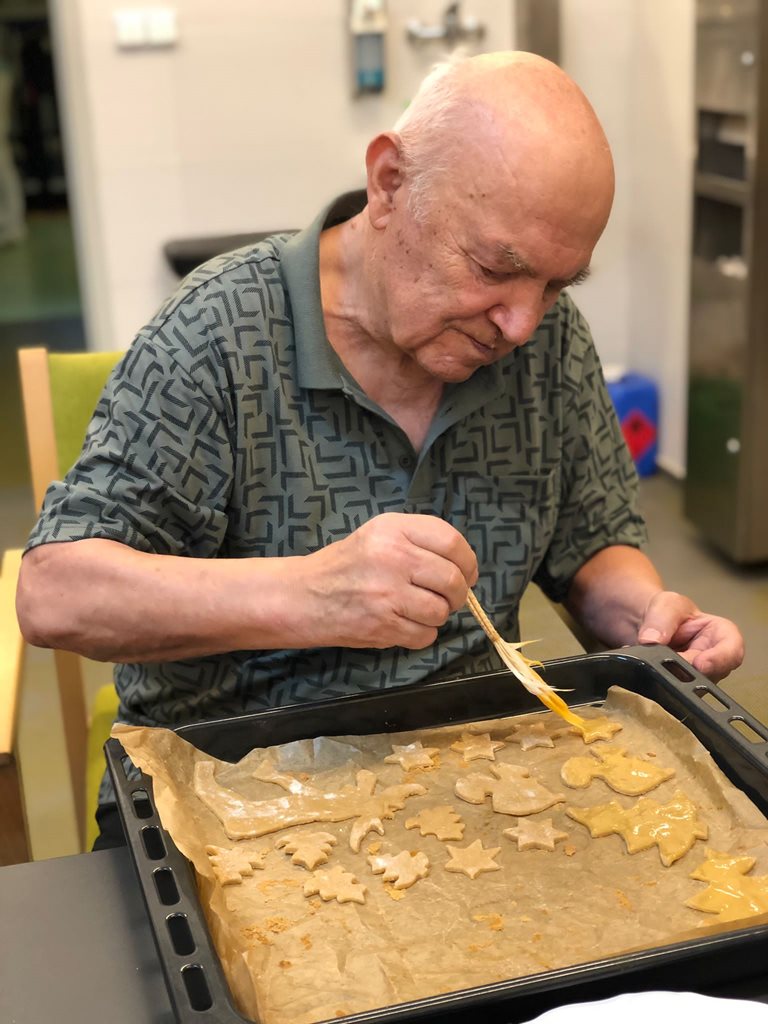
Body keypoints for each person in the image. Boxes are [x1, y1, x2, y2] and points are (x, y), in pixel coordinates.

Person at [16, 52, 744, 849]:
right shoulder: (218, 334)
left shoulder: (547, 342)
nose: (521, 324)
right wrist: (310, 595)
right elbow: (57, 592)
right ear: (390, 182)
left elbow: (593, 542)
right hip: (227, 787)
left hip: (470, 775)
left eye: (556, 285)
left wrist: (648, 618)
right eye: (494, 268)